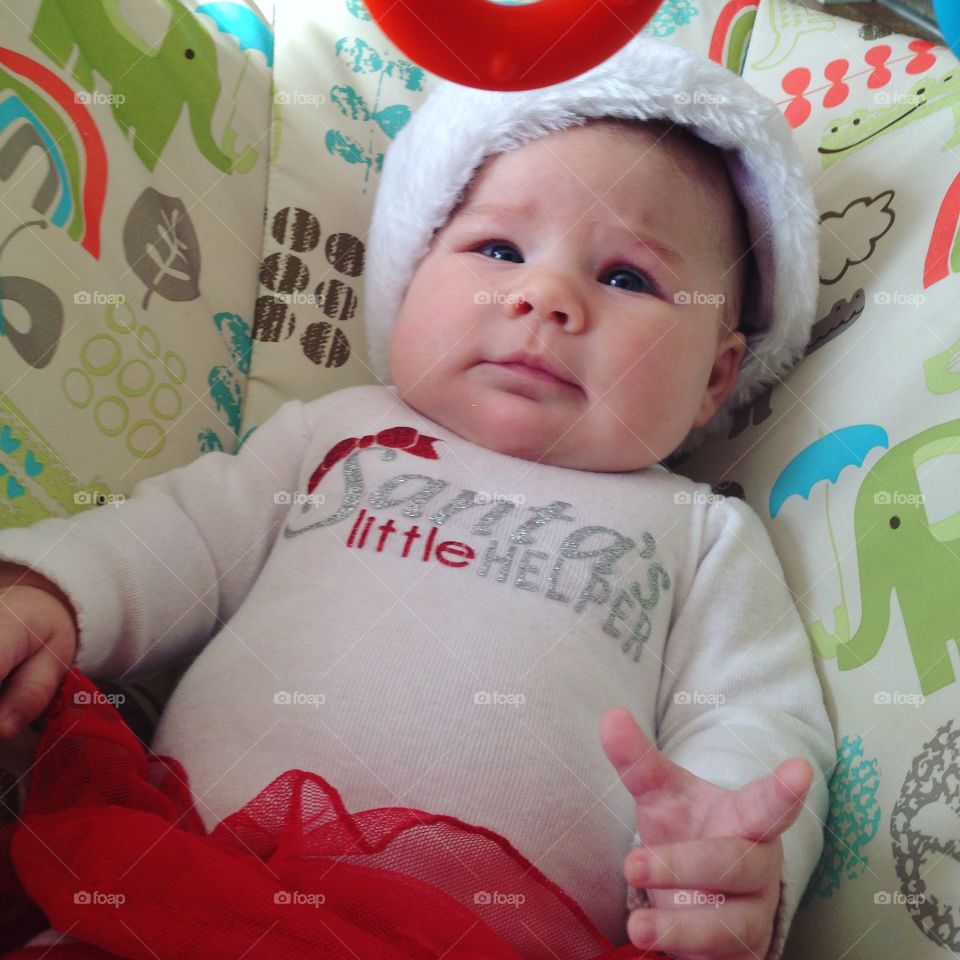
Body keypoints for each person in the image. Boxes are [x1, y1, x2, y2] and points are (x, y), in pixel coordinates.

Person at [0, 37, 833, 960]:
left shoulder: (698, 530)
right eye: (498, 247)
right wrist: (54, 593)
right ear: (406, 278)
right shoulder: (337, 431)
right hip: (183, 890)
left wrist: (724, 857)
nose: (545, 296)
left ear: (717, 379)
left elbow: (755, 715)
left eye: (628, 277)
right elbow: (183, 538)